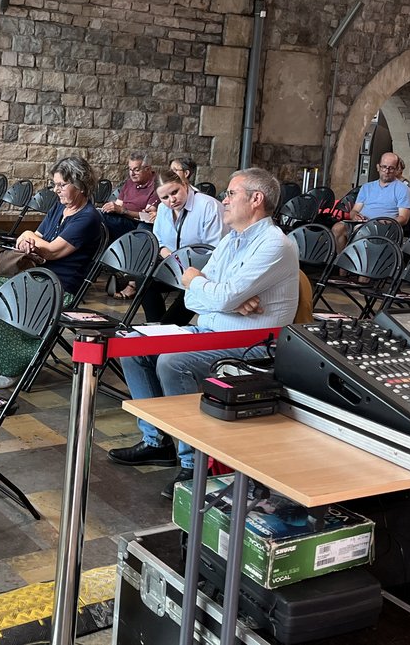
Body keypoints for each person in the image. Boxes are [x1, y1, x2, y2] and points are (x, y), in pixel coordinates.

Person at [108, 167, 300, 498]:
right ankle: (157, 440)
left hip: (252, 344)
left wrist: (215, 292)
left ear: (256, 199)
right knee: (131, 344)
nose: (223, 200)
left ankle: (193, 462)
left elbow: (210, 291)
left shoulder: (275, 244)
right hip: (210, 329)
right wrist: (219, 294)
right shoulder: (231, 241)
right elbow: (193, 294)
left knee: (172, 362)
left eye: (231, 193)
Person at [0, 156, 104, 390]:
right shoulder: (59, 208)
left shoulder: (88, 218)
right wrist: (27, 241)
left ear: (80, 185)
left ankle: (13, 364)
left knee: (0, 292)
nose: (57, 190)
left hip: (58, 286)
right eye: (56, 184)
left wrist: (27, 237)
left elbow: (52, 251)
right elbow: (40, 237)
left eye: (62, 185)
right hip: (37, 274)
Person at [139, 167, 226, 323]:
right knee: (142, 277)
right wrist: (172, 258)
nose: (171, 200)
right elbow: (159, 240)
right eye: (164, 197)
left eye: (175, 192)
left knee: (189, 291)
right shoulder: (163, 209)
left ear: (184, 184)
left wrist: (188, 269)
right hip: (176, 264)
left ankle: (166, 327)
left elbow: (216, 249)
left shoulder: (208, 206)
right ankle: (156, 326)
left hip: (204, 270)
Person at [102, 152, 159, 299]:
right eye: (130, 169)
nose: (132, 173)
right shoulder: (129, 183)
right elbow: (118, 205)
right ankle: (107, 266)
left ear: (147, 168)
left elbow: (147, 217)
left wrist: (122, 210)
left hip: (143, 225)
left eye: (136, 169)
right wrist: (111, 207)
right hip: (125, 221)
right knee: (99, 220)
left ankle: (132, 281)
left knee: (142, 232)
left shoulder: (157, 185)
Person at [330, 151, 410, 250]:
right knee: (337, 228)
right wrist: (355, 216)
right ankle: (342, 261)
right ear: (378, 167)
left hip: (385, 227)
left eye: (391, 168)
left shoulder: (403, 189)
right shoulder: (366, 187)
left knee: (359, 230)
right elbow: (355, 210)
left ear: (396, 170)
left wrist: (384, 222)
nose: (387, 171)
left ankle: (356, 262)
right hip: (361, 223)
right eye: (384, 167)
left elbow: (404, 218)